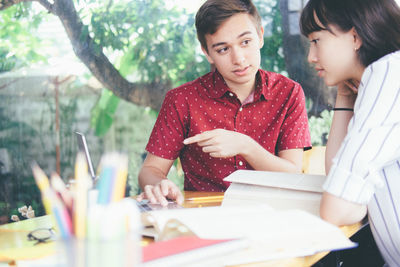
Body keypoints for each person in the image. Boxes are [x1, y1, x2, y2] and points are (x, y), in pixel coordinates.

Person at [138, 0, 311, 206]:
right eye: (222, 49)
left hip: (269, 214)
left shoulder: (288, 93)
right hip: (204, 216)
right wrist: (159, 184)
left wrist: (245, 146)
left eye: (245, 42)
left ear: (260, 36)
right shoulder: (181, 100)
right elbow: (150, 170)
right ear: (207, 52)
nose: (238, 59)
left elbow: (292, 174)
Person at [300, 0, 400, 265]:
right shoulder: (369, 83)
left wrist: (353, 201)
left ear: (355, 36)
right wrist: (344, 94)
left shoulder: (391, 72)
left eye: (316, 40)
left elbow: (336, 208)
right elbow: (336, 175)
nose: (311, 57)